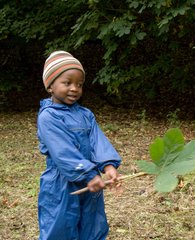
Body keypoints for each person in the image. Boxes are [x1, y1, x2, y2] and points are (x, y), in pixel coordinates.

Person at [37, 50, 122, 240]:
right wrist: (88, 174)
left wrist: (108, 166)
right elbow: (63, 152)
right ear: (50, 85)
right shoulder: (48, 117)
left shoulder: (86, 115)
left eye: (79, 84)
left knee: (92, 228)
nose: (74, 88)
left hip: (91, 185)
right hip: (61, 185)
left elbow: (98, 141)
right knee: (60, 229)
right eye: (67, 83)